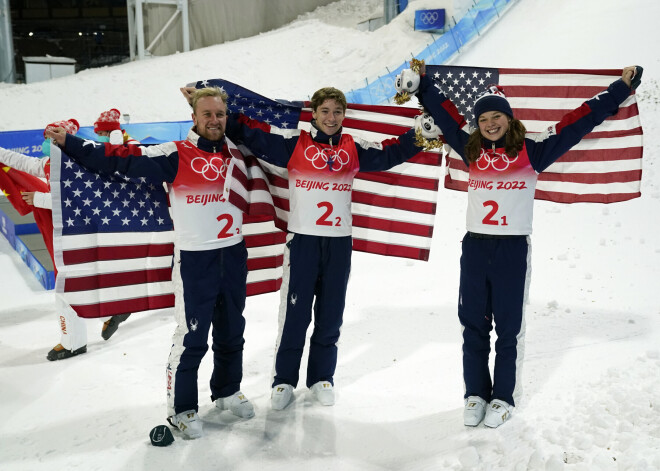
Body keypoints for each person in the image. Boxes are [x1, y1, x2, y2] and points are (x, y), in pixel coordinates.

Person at [396, 64, 641, 428]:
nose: (490, 123)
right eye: (484, 118)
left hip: (512, 250)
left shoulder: (533, 151)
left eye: (497, 116)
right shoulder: (471, 148)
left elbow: (579, 122)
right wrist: (421, 87)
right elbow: (446, 114)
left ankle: (503, 397)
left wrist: (619, 90)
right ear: (477, 124)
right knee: (473, 325)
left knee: (509, 328)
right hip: (476, 248)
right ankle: (475, 394)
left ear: (509, 120)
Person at [182, 84, 440, 410]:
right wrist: (210, 108)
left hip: (338, 244)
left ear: (344, 115)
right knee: (295, 315)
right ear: (314, 115)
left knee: (330, 315)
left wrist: (419, 134)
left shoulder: (352, 147)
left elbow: (389, 153)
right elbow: (250, 134)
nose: (331, 118)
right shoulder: (295, 146)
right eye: (325, 111)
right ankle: (284, 381)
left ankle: (321, 378)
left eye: (337, 112)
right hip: (302, 243)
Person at [46, 87, 256, 439]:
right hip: (194, 261)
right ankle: (183, 409)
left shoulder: (238, 152)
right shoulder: (175, 153)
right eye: (207, 114)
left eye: (220, 114)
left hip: (234, 255)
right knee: (191, 337)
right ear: (193, 118)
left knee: (233, 330)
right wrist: (72, 143)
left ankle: (227, 391)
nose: (215, 121)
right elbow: (120, 158)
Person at [0, 118, 91, 361]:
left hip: (74, 235)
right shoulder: (54, 163)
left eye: (51, 138)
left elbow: (76, 201)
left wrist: (38, 200)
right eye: (46, 139)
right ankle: (73, 339)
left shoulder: (76, 165)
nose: (46, 143)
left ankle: (72, 342)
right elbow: (22, 162)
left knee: (66, 288)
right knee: (67, 287)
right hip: (63, 233)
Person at [91, 108, 140, 340]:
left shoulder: (134, 146)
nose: (98, 135)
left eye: (101, 132)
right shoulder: (105, 148)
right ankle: (120, 307)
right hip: (119, 212)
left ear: (111, 132)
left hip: (136, 213)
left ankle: (122, 307)